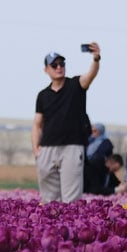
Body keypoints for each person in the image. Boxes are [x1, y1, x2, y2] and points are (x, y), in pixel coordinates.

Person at [33, 44, 101, 203]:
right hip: (47, 148)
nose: (59, 67)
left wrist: (96, 59)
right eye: (54, 65)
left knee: (71, 198)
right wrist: (36, 149)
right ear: (46, 70)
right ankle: (50, 227)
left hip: (72, 147)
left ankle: (69, 226)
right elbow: (37, 124)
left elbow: (90, 75)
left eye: (61, 64)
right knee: (49, 199)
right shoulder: (43, 95)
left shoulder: (76, 85)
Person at [82, 122, 114, 194]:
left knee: (97, 188)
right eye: (92, 131)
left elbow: (104, 155)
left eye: (95, 131)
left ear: (100, 131)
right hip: (87, 168)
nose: (93, 133)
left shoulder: (106, 142)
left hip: (99, 169)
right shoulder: (89, 141)